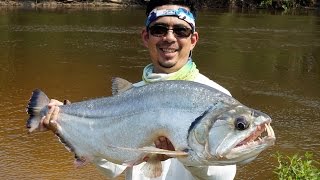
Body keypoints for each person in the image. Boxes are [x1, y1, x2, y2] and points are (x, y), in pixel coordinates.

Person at [41, 0, 237, 179]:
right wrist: (64, 123)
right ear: (146, 37)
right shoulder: (131, 94)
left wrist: (188, 156)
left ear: (193, 39)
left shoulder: (217, 98)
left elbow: (224, 176)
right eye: (159, 29)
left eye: (180, 31)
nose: (169, 38)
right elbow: (114, 168)